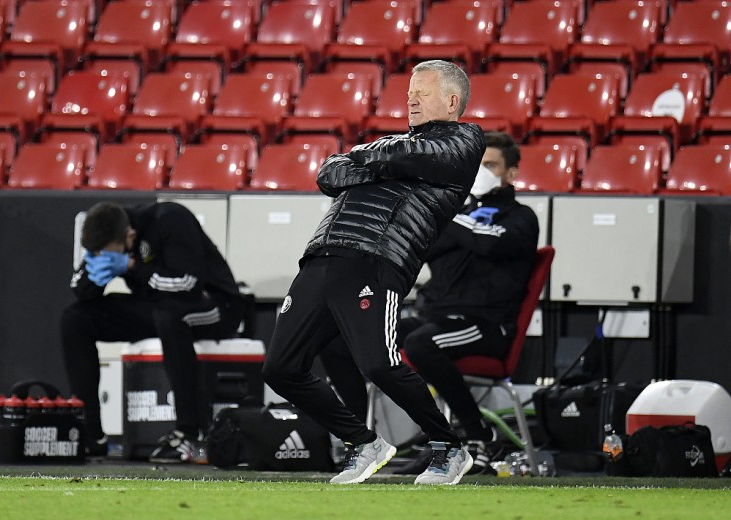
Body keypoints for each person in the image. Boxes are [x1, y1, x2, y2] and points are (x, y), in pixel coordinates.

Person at [261, 60, 486, 486]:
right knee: (280, 369)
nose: (411, 99)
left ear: (452, 101)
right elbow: (330, 173)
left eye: (422, 92)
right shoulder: (391, 144)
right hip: (323, 255)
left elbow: (411, 156)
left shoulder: (465, 138)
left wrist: (370, 159)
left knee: (380, 365)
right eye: (409, 92)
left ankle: (449, 447)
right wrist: (380, 158)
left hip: (378, 259)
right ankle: (363, 442)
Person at [322, 131, 540, 474]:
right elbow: (420, 249)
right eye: (476, 166)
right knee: (336, 340)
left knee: (422, 344)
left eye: (491, 166)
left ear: (511, 173)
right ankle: (361, 438)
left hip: (485, 325)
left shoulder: (520, 217)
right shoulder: (456, 215)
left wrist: (443, 213)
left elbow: (489, 243)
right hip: (434, 317)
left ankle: (476, 436)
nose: (480, 173)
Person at [61, 201, 246, 463]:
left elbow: (188, 284)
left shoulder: (169, 219)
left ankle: (189, 432)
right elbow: (79, 289)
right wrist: (92, 277)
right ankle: (91, 434)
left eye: (107, 254)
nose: (104, 258)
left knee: (170, 316)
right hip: (159, 306)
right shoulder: (106, 233)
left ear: (130, 236)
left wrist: (133, 266)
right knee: (76, 318)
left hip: (216, 305)